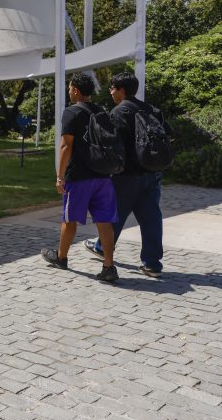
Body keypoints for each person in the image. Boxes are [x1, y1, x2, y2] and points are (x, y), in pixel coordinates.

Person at [84, 72, 167, 277]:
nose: (111, 92)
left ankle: (102, 248)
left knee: (114, 214)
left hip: (127, 176)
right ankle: (152, 263)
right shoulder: (151, 109)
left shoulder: (119, 112)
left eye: (112, 88)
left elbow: (115, 146)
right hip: (152, 173)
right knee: (151, 219)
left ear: (121, 90)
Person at [41, 73, 119, 282]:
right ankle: (109, 266)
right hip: (103, 175)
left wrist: (60, 176)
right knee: (104, 221)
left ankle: (62, 257)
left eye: (69, 88)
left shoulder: (71, 112)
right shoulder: (101, 111)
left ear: (76, 89)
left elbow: (66, 145)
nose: (68, 91)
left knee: (70, 218)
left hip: (79, 176)